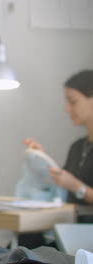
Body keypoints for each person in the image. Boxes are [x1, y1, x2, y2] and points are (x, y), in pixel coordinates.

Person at [24, 70, 93, 207]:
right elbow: (61, 186)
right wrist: (43, 160)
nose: (67, 109)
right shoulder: (77, 147)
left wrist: (76, 186)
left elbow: (71, 184)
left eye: (73, 102)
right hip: (68, 223)